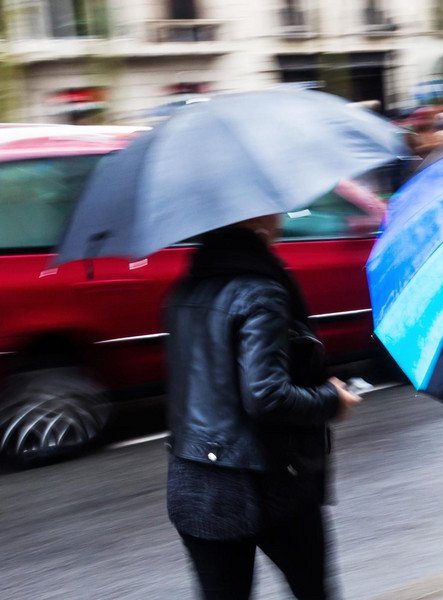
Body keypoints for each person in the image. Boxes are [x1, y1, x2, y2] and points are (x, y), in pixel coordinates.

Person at [164, 214, 362, 600]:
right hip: (264, 484)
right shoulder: (261, 290)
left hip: (192, 484)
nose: (281, 216)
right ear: (253, 219)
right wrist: (331, 400)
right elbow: (266, 395)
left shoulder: (184, 290)